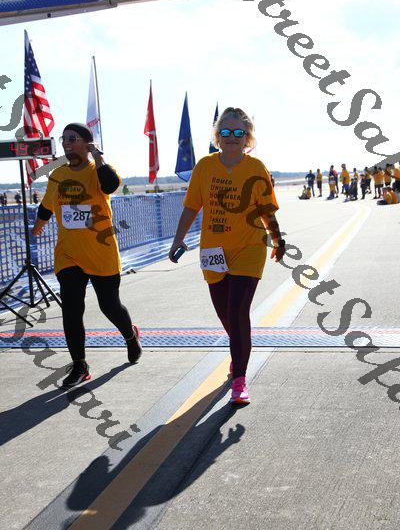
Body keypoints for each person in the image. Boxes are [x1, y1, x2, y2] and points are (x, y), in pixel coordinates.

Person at [169, 107, 285, 405]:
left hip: (249, 248)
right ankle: (240, 348)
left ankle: (240, 379)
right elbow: (191, 207)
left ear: (247, 138)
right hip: (213, 251)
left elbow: (266, 209)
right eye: (225, 132)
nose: (232, 137)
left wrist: (277, 238)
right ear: (217, 136)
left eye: (238, 132)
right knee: (225, 314)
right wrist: (178, 239)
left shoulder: (256, 168)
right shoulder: (205, 167)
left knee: (237, 312)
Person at [33, 123, 142, 388]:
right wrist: (37, 227)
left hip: (100, 252)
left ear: (87, 143)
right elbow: (46, 207)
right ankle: (80, 365)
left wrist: (98, 157)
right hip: (68, 254)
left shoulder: (99, 171)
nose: (66, 143)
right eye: (64, 139)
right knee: (71, 309)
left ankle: (130, 336)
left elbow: (111, 185)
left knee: (110, 306)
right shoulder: (57, 174)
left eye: (73, 138)